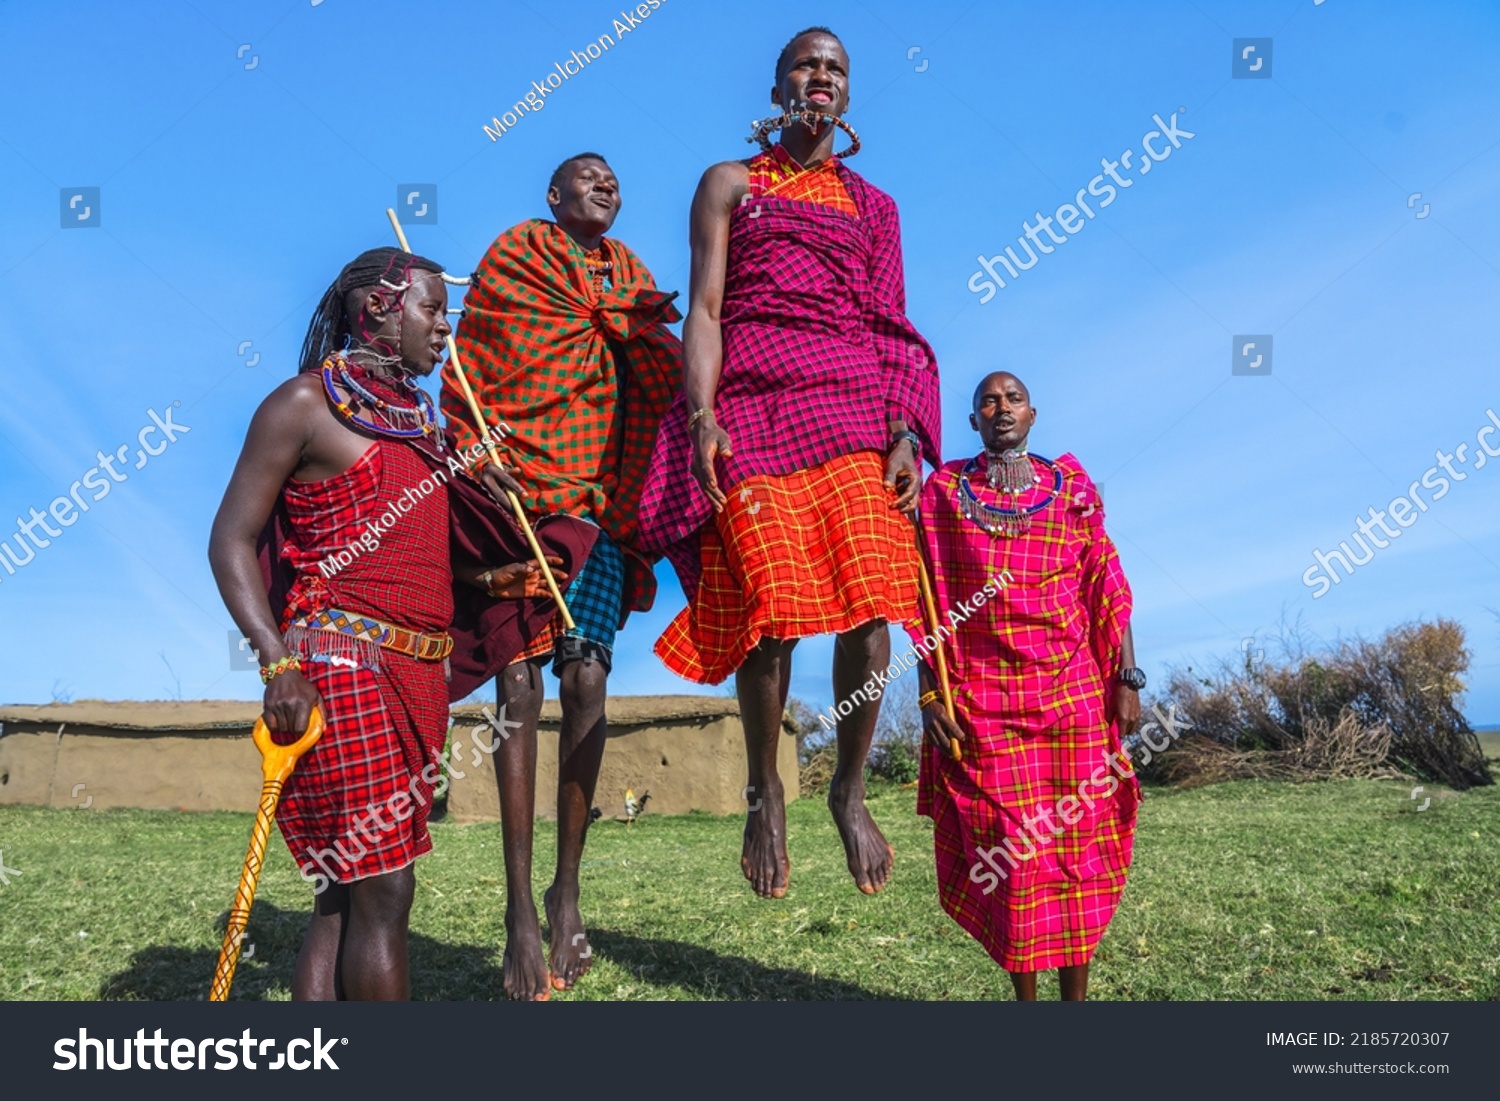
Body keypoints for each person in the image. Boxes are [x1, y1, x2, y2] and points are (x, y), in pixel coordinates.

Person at [208, 247, 565, 1000]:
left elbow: (407, 549)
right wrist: (276, 662)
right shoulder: (303, 406)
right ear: (378, 308)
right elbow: (230, 540)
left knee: (343, 895)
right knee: (386, 889)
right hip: (338, 665)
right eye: (432, 309)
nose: (447, 328)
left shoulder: (423, 423)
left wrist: (486, 558)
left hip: (416, 673)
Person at [638, 28, 940, 900]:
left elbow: (893, 325)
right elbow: (703, 309)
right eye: (807, 64)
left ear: (847, 94)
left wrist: (907, 431)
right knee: (769, 604)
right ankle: (767, 781)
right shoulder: (730, 183)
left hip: (850, 406)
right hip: (754, 406)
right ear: (778, 86)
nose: (821, 77)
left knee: (875, 594)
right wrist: (700, 417)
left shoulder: (874, 206)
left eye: (836, 68)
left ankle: (847, 784)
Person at [443, 153, 682, 999]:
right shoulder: (515, 258)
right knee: (517, 690)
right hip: (511, 500)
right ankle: (516, 911)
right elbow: (467, 379)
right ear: (553, 195)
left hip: (596, 503)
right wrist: (479, 459)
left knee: (585, 679)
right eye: (588, 176)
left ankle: (566, 889)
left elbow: (661, 378)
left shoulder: (635, 277)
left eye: (616, 177)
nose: (607, 185)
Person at [913, 370, 1144, 1001]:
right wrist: (931, 694)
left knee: (1075, 855)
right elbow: (922, 598)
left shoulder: (1070, 486)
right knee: (1011, 859)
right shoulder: (942, 494)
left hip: (1072, 699)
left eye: (1013, 398)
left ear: (1033, 414)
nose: (1001, 408)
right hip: (983, 704)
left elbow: (1106, 583)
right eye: (988, 400)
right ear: (973, 422)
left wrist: (1126, 675)